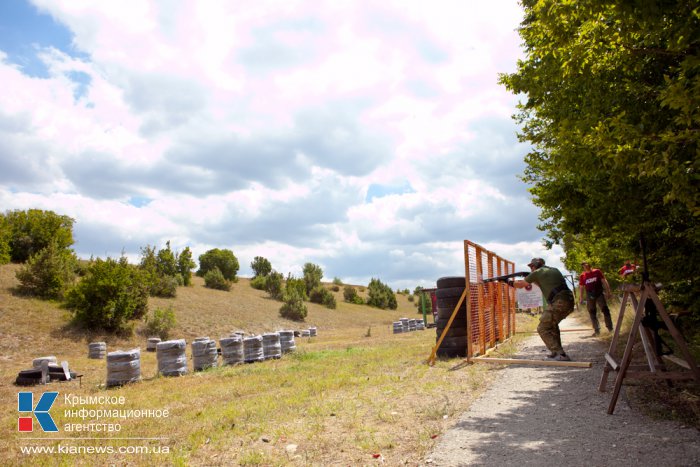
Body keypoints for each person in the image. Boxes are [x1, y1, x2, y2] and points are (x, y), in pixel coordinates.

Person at [512, 258, 574, 361]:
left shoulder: (537, 273)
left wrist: (508, 282)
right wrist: (530, 278)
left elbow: (520, 285)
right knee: (552, 325)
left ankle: (561, 354)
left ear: (535, 266)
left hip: (559, 302)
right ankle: (556, 352)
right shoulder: (554, 270)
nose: (531, 269)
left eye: (532, 266)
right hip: (568, 301)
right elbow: (542, 283)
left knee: (542, 328)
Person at [578, 261, 613, 336]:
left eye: (586, 264)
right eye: (583, 265)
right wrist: (581, 298)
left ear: (589, 264)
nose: (585, 266)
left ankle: (610, 328)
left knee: (605, 310)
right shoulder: (583, 275)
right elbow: (581, 287)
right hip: (590, 295)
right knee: (592, 312)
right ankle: (597, 330)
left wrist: (608, 291)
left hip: (599, 293)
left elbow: (604, 280)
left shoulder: (597, 271)